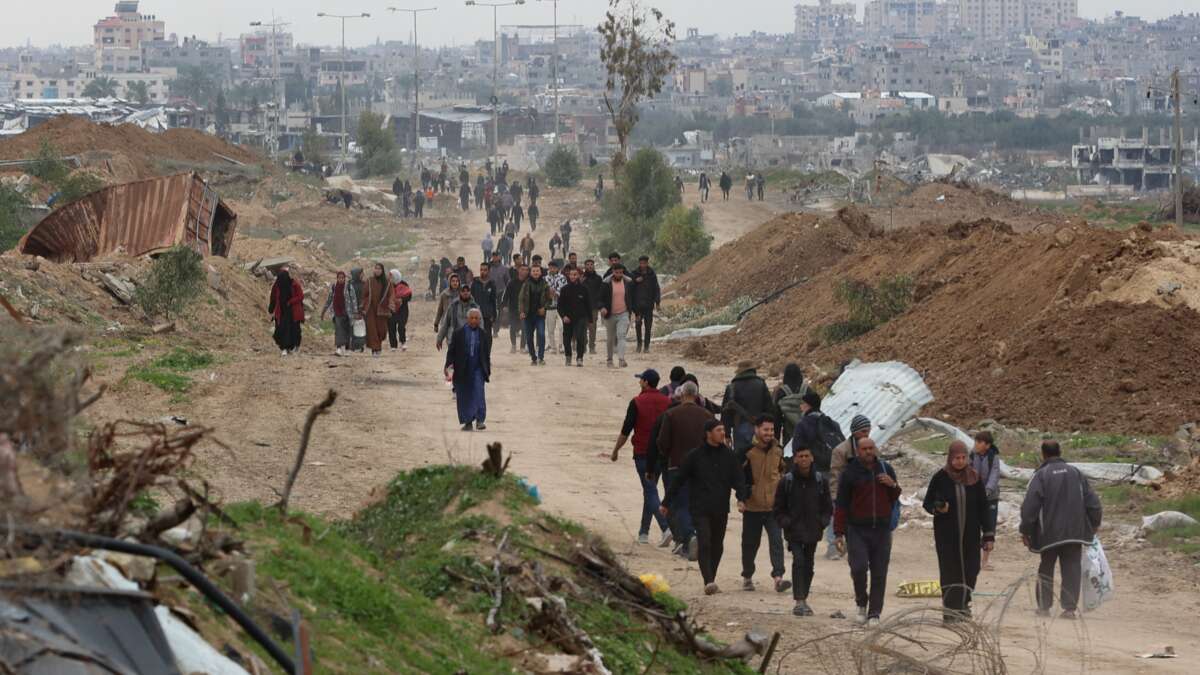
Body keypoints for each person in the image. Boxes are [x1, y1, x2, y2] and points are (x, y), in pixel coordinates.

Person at [661, 420, 749, 595]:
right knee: (705, 542)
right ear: (708, 433)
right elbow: (679, 480)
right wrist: (666, 502)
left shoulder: (729, 456)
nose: (723, 433)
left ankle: (711, 579)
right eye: (718, 430)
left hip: (721, 507)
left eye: (724, 430)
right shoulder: (694, 456)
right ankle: (708, 580)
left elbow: (738, 478)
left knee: (717, 545)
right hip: (700, 507)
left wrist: (741, 498)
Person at [1019, 440, 1102, 620]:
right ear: (1060, 452)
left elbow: (1030, 506)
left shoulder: (1041, 475)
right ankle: (1069, 609)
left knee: (1046, 567)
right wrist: (1095, 523)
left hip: (1049, 533)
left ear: (1043, 454)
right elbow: (1093, 502)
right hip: (1074, 531)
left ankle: (1043, 607)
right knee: (1072, 567)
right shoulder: (1076, 473)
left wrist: (1025, 530)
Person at [923, 441, 995, 623]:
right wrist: (938, 507)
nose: (960, 462)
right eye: (957, 458)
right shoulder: (941, 477)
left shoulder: (975, 478)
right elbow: (927, 503)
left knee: (971, 570)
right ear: (950, 458)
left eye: (963, 458)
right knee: (950, 571)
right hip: (947, 536)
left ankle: (964, 605)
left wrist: (988, 534)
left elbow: (983, 508)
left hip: (970, 534)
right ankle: (950, 612)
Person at [834, 438, 900, 626]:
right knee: (858, 568)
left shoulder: (886, 469)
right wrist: (838, 533)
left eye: (871, 448)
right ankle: (861, 603)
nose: (869, 452)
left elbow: (895, 496)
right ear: (857, 451)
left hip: (882, 530)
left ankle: (874, 613)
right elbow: (841, 505)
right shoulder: (849, 473)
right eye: (864, 449)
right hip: (857, 530)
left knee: (880, 572)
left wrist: (892, 484)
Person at [648, 380, 712, 559]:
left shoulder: (671, 415)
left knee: (681, 505)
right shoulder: (707, 415)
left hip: (677, 465)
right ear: (697, 395)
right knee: (697, 504)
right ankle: (695, 540)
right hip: (701, 467)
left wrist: (668, 456)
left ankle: (690, 536)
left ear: (682, 395)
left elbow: (661, 442)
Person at [611, 369, 672, 546]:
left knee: (650, 490)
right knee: (650, 490)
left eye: (641, 380)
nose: (639, 382)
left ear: (646, 382)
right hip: (663, 454)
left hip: (643, 453)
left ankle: (665, 528)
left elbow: (626, 429)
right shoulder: (667, 402)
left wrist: (615, 450)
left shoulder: (637, 402)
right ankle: (643, 532)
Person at [773, 445, 833, 617]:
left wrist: (822, 522)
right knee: (798, 561)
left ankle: (804, 598)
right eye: (801, 456)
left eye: (807, 456)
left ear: (812, 458)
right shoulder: (787, 481)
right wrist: (786, 523)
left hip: (813, 531)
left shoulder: (821, 480)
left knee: (809, 564)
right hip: (794, 531)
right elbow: (778, 508)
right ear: (795, 459)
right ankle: (799, 600)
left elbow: (827, 506)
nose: (804, 459)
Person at [741, 415, 791, 594]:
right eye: (766, 430)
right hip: (752, 506)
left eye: (771, 430)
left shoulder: (778, 450)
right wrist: (741, 498)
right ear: (757, 430)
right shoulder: (747, 452)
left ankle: (778, 578)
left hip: (773, 507)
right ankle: (747, 575)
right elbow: (740, 478)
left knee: (776, 541)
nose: (769, 433)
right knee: (750, 544)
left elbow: (781, 471)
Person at [825, 414, 870, 559]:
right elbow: (835, 475)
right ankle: (833, 548)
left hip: (863, 492)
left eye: (868, 430)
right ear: (855, 432)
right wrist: (835, 496)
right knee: (836, 517)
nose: (867, 433)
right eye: (863, 431)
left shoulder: (870, 447)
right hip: (845, 491)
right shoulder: (840, 451)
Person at [444, 308, 491, 431]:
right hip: (462, 369)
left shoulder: (483, 334)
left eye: (477, 318)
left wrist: (487, 370)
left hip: (478, 368)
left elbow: (486, 354)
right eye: (472, 318)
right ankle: (468, 421)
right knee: (464, 395)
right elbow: (452, 351)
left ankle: (480, 420)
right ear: (467, 319)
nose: (474, 320)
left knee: (478, 393)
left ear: (480, 320)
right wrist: (447, 365)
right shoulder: (458, 333)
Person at [721, 361, 773, 453]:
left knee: (741, 460)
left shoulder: (732, 387)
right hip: (758, 427)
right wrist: (770, 430)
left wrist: (727, 435)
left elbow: (726, 413)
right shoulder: (761, 384)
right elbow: (769, 409)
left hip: (739, 428)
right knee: (759, 458)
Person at [972, 431, 1002, 571]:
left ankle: (985, 560)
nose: (976, 444)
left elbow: (994, 475)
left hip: (990, 497)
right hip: (974, 496)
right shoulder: (971, 455)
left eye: (979, 442)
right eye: (976, 441)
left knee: (989, 527)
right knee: (973, 526)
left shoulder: (994, 457)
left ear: (987, 445)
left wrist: (987, 491)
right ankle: (973, 559)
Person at [556, 265, 591, 366]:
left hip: (581, 317)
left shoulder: (584, 289)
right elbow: (560, 306)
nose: (573, 276)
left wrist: (590, 319)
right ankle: (568, 356)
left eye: (575, 274)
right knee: (567, 338)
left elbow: (588, 304)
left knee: (581, 337)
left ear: (579, 275)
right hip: (568, 318)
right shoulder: (564, 289)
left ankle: (580, 358)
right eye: (571, 275)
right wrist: (563, 316)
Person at [600, 263, 633, 368]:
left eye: (620, 272)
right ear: (613, 272)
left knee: (621, 335)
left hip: (623, 313)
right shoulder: (606, 283)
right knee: (610, 338)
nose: (619, 274)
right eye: (616, 272)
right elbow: (600, 298)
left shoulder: (627, 283)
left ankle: (621, 359)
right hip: (610, 314)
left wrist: (635, 311)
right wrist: (602, 307)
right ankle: (609, 360)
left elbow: (631, 298)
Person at [519, 262, 552, 365]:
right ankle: (533, 358)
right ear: (530, 272)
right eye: (533, 271)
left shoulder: (545, 284)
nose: (536, 272)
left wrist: (544, 308)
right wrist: (522, 311)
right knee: (529, 337)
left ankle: (541, 357)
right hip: (528, 315)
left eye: (537, 271)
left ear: (541, 272)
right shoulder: (526, 284)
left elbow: (549, 300)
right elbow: (521, 299)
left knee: (541, 335)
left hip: (540, 315)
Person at [268, 265, 304, 356]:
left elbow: (300, 296)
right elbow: (273, 297)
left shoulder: (294, 284)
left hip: (293, 311)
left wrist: (290, 302)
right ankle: (284, 347)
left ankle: (289, 347)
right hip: (280, 311)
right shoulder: (277, 285)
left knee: (293, 330)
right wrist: (271, 308)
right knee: (281, 329)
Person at [360, 263, 394, 358]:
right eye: (376, 268)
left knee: (381, 330)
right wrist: (364, 305)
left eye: (379, 269)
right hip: (371, 309)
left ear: (382, 270)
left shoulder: (387, 282)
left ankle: (378, 346)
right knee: (372, 330)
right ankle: (375, 349)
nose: (377, 270)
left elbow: (391, 294)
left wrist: (390, 303)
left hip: (382, 310)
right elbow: (364, 294)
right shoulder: (370, 281)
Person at [320, 270, 357, 356]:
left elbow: (354, 299)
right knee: (338, 330)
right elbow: (329, 300)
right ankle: (339, 348)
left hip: (347, 312)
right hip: (337, 312)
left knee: (347, 331)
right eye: (339, 278)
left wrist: (355, 312)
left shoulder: (349, 287)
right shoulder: (334, 287)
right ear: (337, 278)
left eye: (342, 278)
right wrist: (323, 312)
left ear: (345, 278)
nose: (341, 279)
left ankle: (347, 349)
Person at [773, 363, 809, 445]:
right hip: (806, 432)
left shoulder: (781, 392)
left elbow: (777, 417)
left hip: (788, 433)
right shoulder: (807, 390)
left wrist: (776, 439)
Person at [630, 256, 661, 354]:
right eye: (641, 263)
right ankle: (639, 345)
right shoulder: (634, 274)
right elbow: (629, 288)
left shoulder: (652, 274)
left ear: (647, 263)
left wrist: (657, 302)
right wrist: (635, 281)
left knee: (648, 326)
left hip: (648, 305)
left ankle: (646, 346)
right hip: (638, 306)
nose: (643, 265)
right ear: (639, 263)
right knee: (638, 325)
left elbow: (656, 289)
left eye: (644, 263)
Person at [437, 284, 479, 350]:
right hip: (454, 341)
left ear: (470, 292)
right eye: (463, 291)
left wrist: (481, 340)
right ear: (460, 293)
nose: (465, 293)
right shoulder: (453, 306)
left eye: (467, 291)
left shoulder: (475, 307)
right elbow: (446, 324)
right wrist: (439, 339)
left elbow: (480, 324)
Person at [502, 264, 528, 353]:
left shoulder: (528, 283)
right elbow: (506, 295)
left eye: (526, 270)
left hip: (525, 310)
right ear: (518, 270)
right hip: (513, 309)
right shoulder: (511, 283)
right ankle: (513, 345)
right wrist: (504, 306)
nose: (524, 271)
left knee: (524, 328)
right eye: (522, 269)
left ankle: (522, 347)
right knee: (512, 328)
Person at [544, 260, 567, 354]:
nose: (552, 269)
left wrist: (556, 293)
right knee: (550, 328)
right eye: (550, 267)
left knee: (562, 327)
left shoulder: (562, 278)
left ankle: (561, 346)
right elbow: (544, 290)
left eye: (554, 267)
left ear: (558, 268)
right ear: (548, 268)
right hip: (549, 306)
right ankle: (553, 347)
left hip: (561, 306)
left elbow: (564, 290)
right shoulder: (545, 278)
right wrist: (549, 293)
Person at [582, 259, 603, 354]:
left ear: (594, 266)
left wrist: (599, 304)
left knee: (592, 327)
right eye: (588, 265)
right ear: (585, 266)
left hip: (594, 307)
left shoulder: (598, 278)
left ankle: (592, 346)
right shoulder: (581, 278)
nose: (590, 266)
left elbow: (601, 292)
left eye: (591, 264)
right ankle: (584, 345)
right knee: (583, 327)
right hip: (582, 307)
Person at [470, 263, 499, 336]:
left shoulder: (492, 284)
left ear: (489, 271)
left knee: (487, 336)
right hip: (476, 315)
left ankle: (487, 348)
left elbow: (493, 300)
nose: (483, 271)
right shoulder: (475, 283)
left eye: (485, 270)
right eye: (481, 270)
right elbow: (471, 299)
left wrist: (494, 315)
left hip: (487, 315)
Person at [388, 270, 412, 352]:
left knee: (401, 326)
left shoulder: (404, 284)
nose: (390, 278)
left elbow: (409, 296)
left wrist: (401, 300)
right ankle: (393, 345)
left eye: (392, 276)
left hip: (402, 310)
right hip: (391, 310)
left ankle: (403, 342)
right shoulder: (388, 285)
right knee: (391, 328)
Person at [349, 267, 367, 352]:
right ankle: (354, 346)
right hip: (353, 310)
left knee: (360, 328)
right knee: (353, 328)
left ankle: (360, 346)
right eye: (361, 274)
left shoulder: (364, 284)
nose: (363, 275)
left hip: (362, 309)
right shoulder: (350, 285)